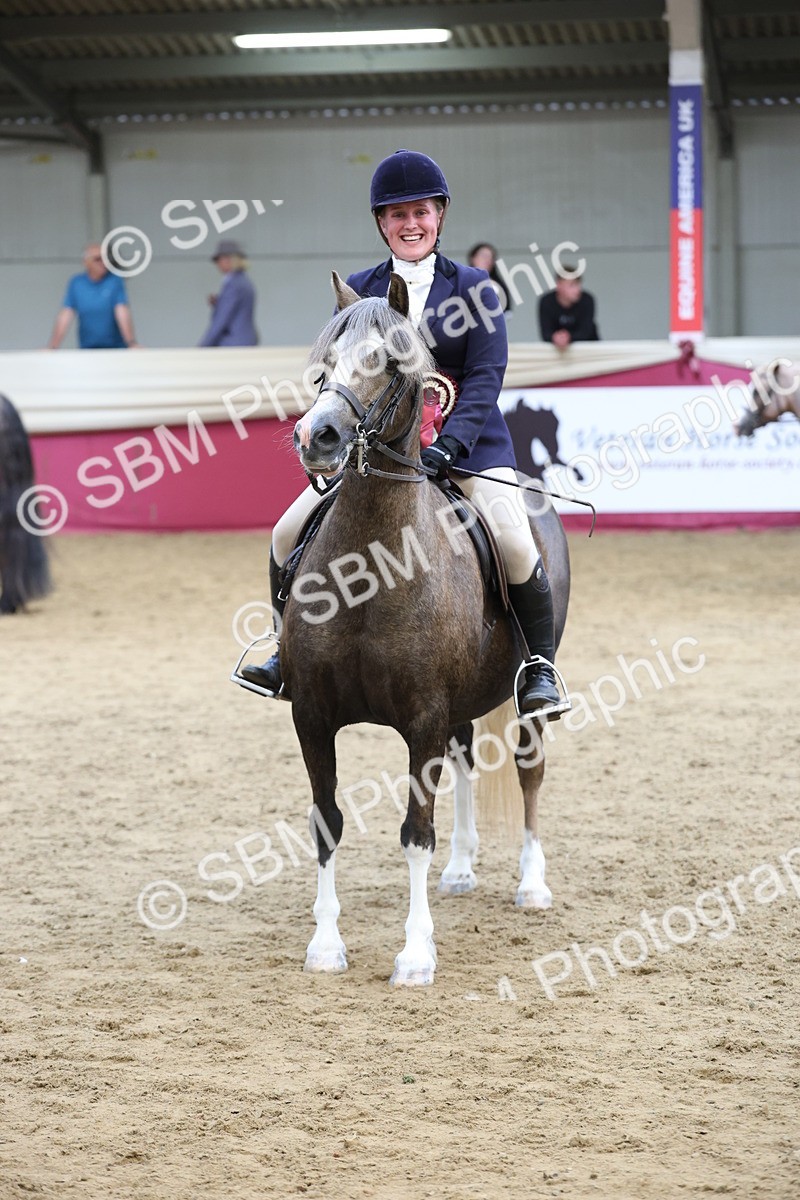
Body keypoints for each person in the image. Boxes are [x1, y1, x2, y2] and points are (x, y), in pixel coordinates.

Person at [242, 149, 570, 720]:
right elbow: (340, 372)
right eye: (396, 214)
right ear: (381, 223)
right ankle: (283, 650)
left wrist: (449, 446)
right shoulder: (360, 291)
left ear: (440, 215)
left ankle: (537, 668)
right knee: (283, 531)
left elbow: (487, 378)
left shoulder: (476, 289)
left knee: (516, 541)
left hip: (468, 451)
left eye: (420, 211)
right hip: (375, 455)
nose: (409, 223)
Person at [47, 243, 139, 349]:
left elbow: (121, 311)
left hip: (115, 348)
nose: (103, 263)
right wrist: (52, 346)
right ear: (86, 262)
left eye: (106, 259)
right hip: (88, 348)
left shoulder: (114, 281)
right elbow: (66, 313)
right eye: (97, 259)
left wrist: (131, 343)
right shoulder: (77, 283)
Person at [199, 239, 258, 347]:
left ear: (229, 260)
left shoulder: (233, 284)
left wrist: (203, 347)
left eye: (219, 260)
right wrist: (219, 304)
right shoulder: (243, 281)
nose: (218, 264)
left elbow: (221, 320)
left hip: (233, 343)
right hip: (244, 340)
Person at [538, 265, 599, 347]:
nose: (577, 290)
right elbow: (546, 333)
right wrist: (555, 338)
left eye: (578, 284)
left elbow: (585, 331)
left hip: (587, 352)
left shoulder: (587, 300)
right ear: (559, 285)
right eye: (572, 285)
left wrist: (568, 338)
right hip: (556, 353)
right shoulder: (547, 301)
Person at [468, 242, 512, 312]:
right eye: (484, 256)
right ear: (473, 258)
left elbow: (506, 310)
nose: (487, 261)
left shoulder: (498, 286)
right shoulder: (462, 281)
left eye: (491, 258)